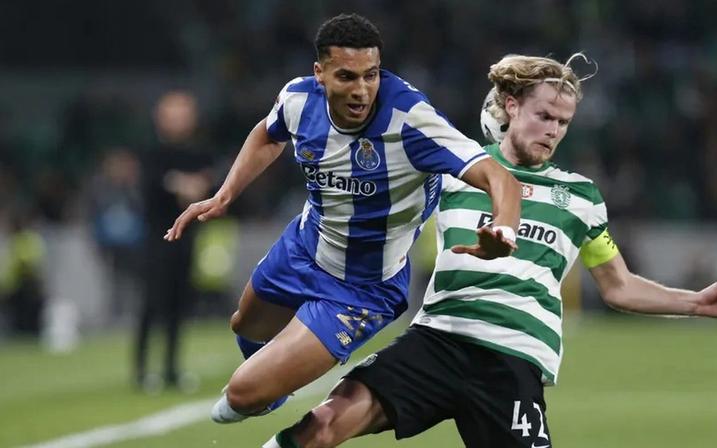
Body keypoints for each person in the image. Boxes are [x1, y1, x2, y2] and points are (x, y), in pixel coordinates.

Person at [261, 53, 717, 448]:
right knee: (321, 427)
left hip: (511, 362)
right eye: (544, 116)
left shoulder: (580, 196)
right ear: (511, 107)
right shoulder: (452, 172)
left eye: (563, 122)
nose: (553, 130)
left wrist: (695, 303)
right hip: (436, 340)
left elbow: (618, 286)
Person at [164, 14, 521, 422]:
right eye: (347, 77)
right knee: (244, 327)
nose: (362, 90)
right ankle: (275, 377)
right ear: (320, 73)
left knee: (238, 398)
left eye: (371, 76)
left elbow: (500, 179)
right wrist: (225, 194)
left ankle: (274, 381)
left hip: (363, 288)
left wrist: (503, 229)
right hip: (303, 248)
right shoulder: (299, 99)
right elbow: (268, 133)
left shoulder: (411, 119)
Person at [137, 90, 214, 391]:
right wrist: (180, 184)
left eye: (184, 112)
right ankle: (142, 370)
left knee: (180, 304)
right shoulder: (151, 150)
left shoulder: (199, 151)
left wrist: (197, 186)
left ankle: (171, 368)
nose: (179, 118)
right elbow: (151, 184)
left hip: (188, 238)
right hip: (157, 237)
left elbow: (213, 180)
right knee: (152, 303)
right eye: (173, 112)